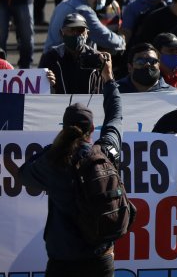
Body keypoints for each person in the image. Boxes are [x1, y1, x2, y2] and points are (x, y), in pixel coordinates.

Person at [18, 56, 122, 277]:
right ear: (93, 128)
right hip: (101, 260)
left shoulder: (52, 161)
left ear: (62, 128)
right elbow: (115, 117)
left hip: (63, 262)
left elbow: (24, 174)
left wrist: (52, 148)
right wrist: (109, 78)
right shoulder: (104, 152)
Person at [45, 0, 124, 53]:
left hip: (49, 57)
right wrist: (122, 41)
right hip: (63, 60)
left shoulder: (64, 3)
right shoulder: (84, 11)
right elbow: (103, 36)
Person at [38, 13, 105, 94]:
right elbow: (37, 88)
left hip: (90, 106)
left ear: (87, 34)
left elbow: (109, 89)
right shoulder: (51, 58)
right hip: (59, 105)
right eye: (71, 30)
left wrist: (107, 74)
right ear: (61, 33)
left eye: (80, 30)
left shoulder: (98, 58)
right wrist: (48, 84)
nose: (75, 33)